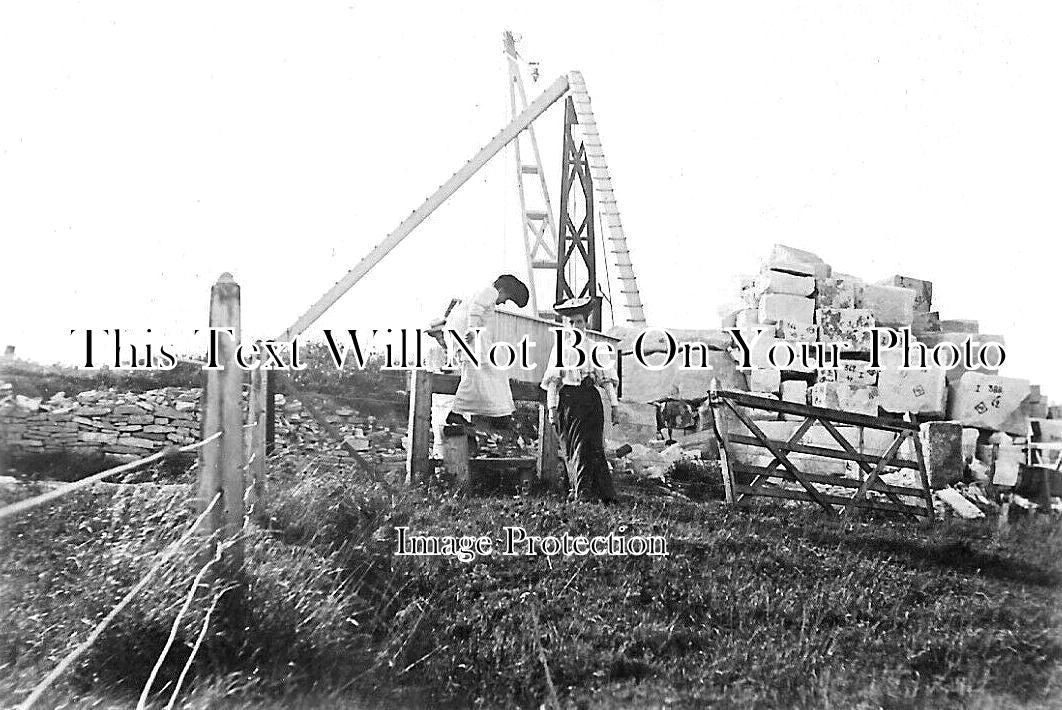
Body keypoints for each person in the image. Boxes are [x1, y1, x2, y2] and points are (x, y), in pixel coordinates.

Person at [541, 297, 621, 503]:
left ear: (586, 323)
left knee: (590, 446)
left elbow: (606, 380)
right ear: (565, 325)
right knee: (572, 447)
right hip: (568, 402)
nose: (575, 326)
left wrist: (614, 405)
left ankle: (589, 493)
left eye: (579, 321)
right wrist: (551, 408)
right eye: (571, 322)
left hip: (590, 401)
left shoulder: (595, 348)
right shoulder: (560, 349)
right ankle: (578, 488)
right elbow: (552, 382)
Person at [443, 274, 530, 426]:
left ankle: (495, 412)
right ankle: (494, 413)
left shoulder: (478, 294)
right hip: (469, 337)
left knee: (483, 373)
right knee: (482, 372)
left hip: (465, 337)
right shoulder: (490, 292)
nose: (502, 302)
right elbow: (476, 309)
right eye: (506, 298)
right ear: (501, 290)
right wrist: (472, 329)